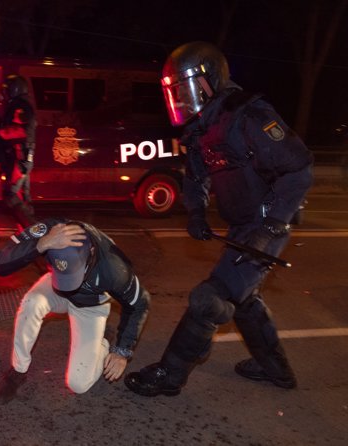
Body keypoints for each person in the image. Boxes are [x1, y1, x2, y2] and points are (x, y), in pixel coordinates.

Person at [125, 41, 313, 397]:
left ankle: (170, 374)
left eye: (185, 88)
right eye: (175, 92)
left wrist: (269, 229)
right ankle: (276, 370)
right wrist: (195, 211)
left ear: (210, 80)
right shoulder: (201, 129)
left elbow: (299, 171)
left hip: (269, 223)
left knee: (208, 298)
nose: (181, 99)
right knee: (243, 298)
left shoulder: (250, 116)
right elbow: (195, 177)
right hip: (243, 226)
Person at [0, 219, 150, 403]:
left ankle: (103, 340)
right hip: (55, 285)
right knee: (32, 302)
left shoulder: (114, 267)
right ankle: (18, 370)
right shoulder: (49, 231)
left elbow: (140, 303)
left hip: (90, 306)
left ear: (91, 253)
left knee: (79, 384)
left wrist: (122, 351)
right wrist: (41, 244)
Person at [0, 74, 37, 228]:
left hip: (18, 156)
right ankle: (27, 232)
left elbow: (20, 131)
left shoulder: (20, 106)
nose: (5, 93)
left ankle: (32, 231)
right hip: (22, 156)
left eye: (7, 89)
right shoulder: (22, 104)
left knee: (11, 195)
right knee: (23, 196)